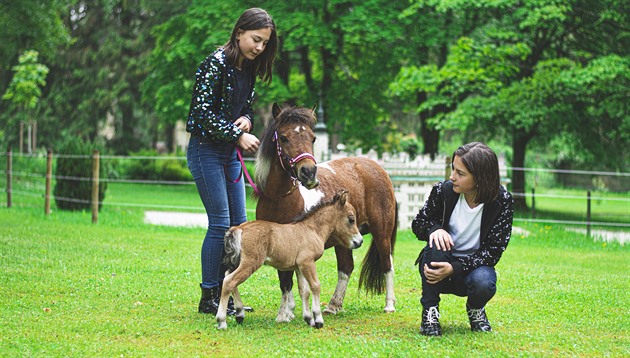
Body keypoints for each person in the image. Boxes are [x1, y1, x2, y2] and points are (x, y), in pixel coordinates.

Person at [186, 8, 278, 315]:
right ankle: (208, 297)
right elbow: (199, 114)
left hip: (229, 155)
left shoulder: (247, 69)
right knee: (221, 224)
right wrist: (235, 134)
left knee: (239, 226)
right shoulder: (215, 64)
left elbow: (246, 109)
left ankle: (226, 294)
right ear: (239, 33)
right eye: (256, 40)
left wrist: (246, 120)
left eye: (264, 43)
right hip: (206, 151)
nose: (259, 48)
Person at [411, 142, 514, 336]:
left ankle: (476, 310)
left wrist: (455, 268)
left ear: (480, 178)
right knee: (437, 244)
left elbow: (493, 251)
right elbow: (418, 223)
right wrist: (435, 229)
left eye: (460, 173)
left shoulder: (502, 201)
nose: (452, 177)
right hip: (438, 262)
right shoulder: (443, 191)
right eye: (453, 169)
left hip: (472, 270)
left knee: (484, 281)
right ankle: (430, 312)